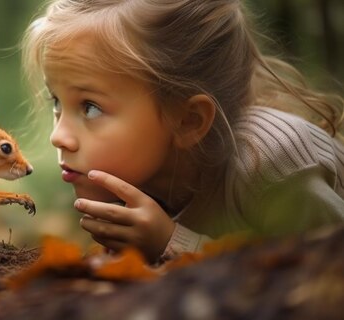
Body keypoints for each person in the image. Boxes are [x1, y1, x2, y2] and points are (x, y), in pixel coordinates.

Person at [21, 0, 344, 263]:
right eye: (57, 102)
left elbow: (323, 279)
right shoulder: (150, 176)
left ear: (188, 121)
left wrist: (172, 243)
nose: (58, 136)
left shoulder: (274, 166)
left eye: (90, 107)